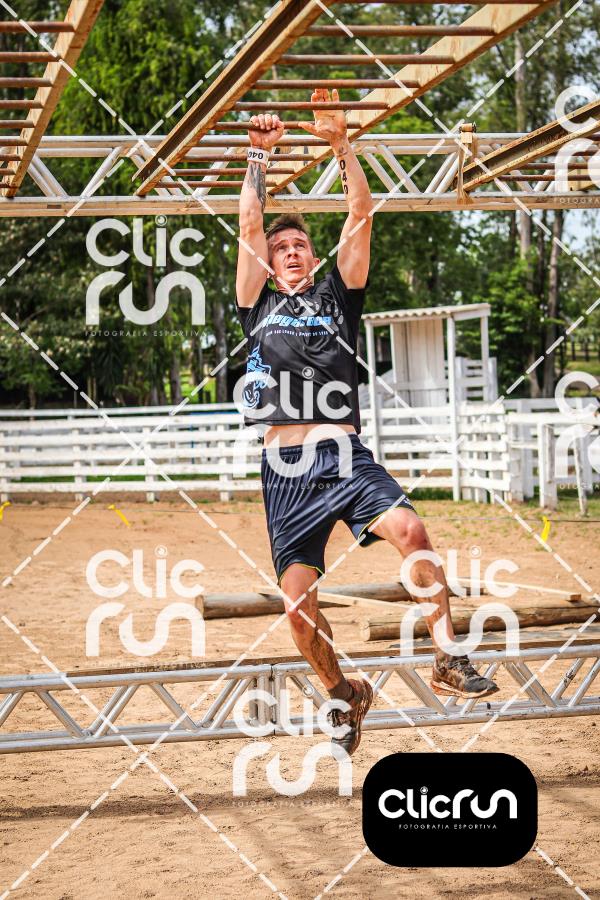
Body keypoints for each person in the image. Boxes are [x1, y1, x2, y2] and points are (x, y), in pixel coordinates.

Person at [235, 89, 498, 756]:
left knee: (412, 529)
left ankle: (447, 656)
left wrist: (341, 145)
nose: (290, 252)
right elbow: (248, 227)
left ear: (313, 257)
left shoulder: (337, 296)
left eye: (300, 245)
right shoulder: (255, 304)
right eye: (281, 246)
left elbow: (360, 212)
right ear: (268, 260)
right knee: (299, 610)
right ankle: (344, 691)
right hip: (286, 471)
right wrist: (258, 157)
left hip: (344, 454)